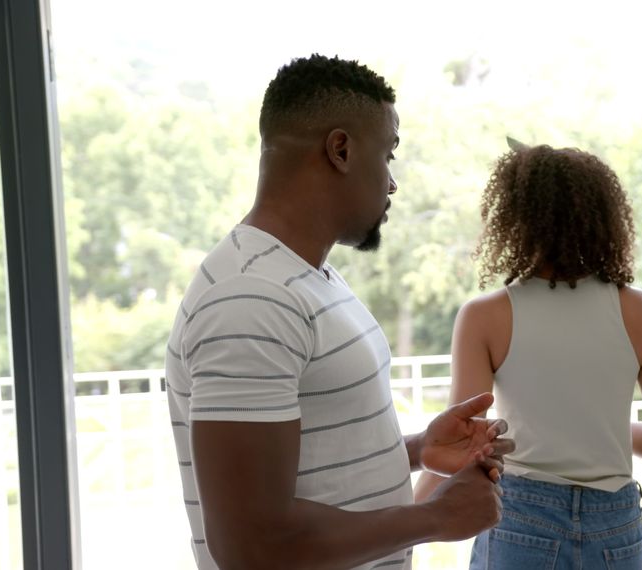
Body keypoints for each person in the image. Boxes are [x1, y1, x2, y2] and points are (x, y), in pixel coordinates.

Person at [164, 54, 513, 570]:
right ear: (341, 149)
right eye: (389, 154)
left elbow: (308, 465)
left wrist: (417, 449)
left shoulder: (306, 278)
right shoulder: (250, 296)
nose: (392, 183)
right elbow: (252, 544)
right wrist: (437, 517)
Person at [414, 144, 642, 569]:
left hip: (520, 519)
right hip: (615, 526)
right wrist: (600, 427)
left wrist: (410, 524)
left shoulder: (485, 317)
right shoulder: (640, 312)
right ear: (603, 217)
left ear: (513, 221)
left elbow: (460, 445)